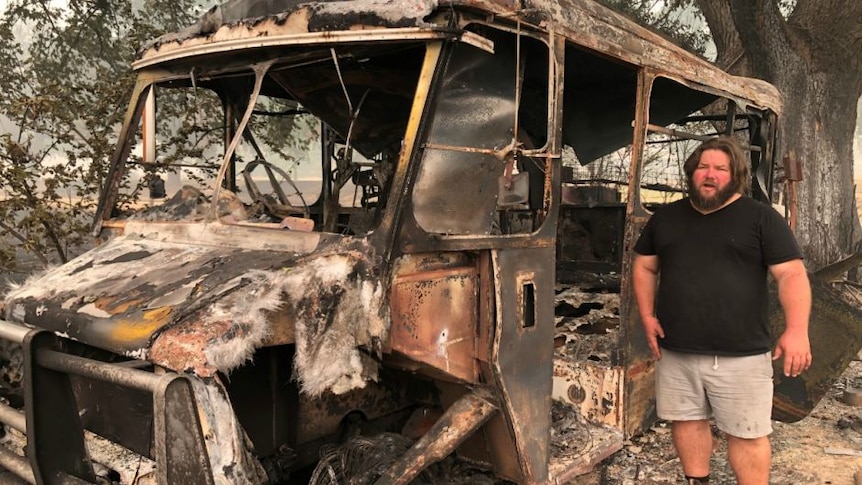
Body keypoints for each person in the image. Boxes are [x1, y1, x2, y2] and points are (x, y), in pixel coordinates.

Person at [632, 136, 812, 485]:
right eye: (703, 167)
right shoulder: (666, 218)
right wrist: (647, 316)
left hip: (741, 355)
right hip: (677, 350)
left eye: (720, 168)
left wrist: (796, 330)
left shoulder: (761, 218)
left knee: (747, 434)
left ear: (735, 176)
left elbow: (791, 274)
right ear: (691, 173)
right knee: (686, 422)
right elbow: (644, 266)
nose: (710, 175)